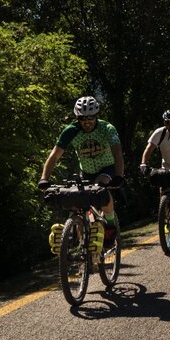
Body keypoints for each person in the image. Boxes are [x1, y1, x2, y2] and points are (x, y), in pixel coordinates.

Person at [39, 96, 125, 254]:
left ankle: (110, 225)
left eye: (90, 118)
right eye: (82, 118)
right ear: (77, 117)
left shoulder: (107, 129)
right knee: (76, 202)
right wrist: (44, 178)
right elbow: (54, 156)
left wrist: (119, 176)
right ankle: (82, 244)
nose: (87, 122)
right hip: (85, 171)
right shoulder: (71, 131)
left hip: (107, 168)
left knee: (101, 185)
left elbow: (118, 153)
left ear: (96, 115)